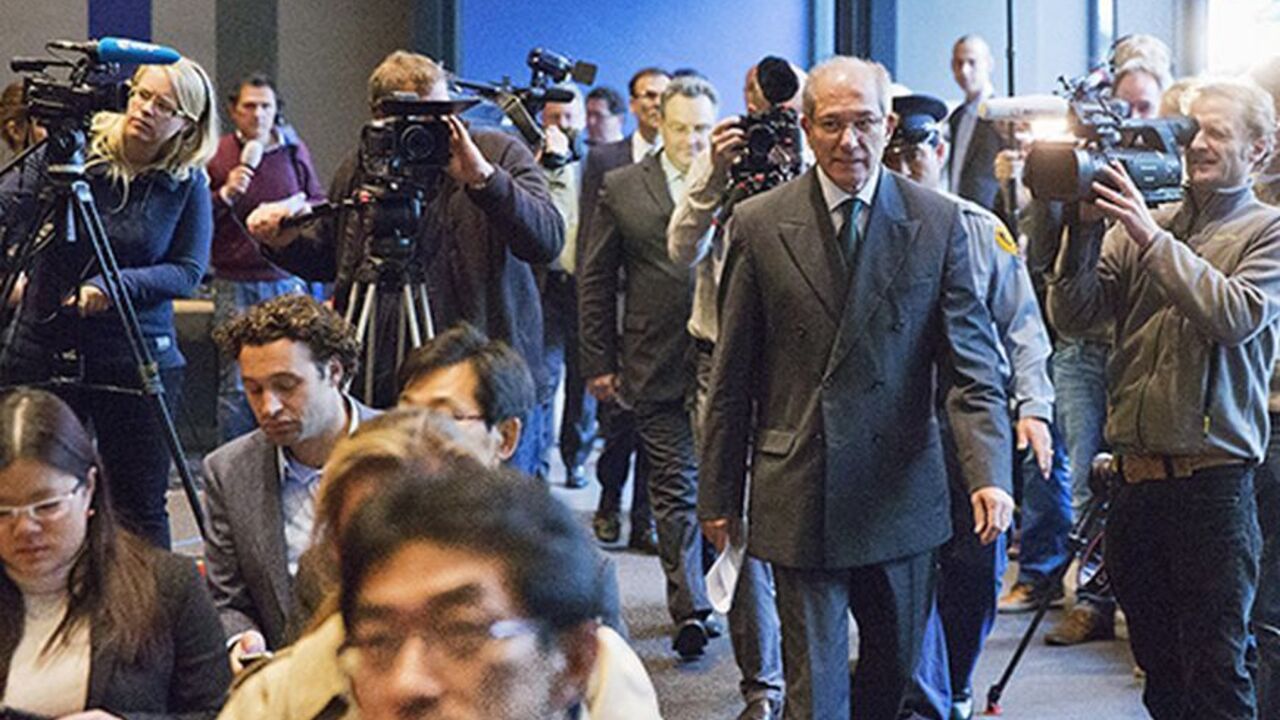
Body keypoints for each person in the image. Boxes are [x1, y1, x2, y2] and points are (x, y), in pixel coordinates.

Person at [699, 56, 1014, 720]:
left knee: (896, 682)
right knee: (814, 695)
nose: (850, 141)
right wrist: (719, 493)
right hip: (799, 483)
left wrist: (988, 472)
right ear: (805, 130)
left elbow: (972, 367)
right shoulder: (758, 222)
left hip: (900, 491)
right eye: (833, 124)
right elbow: (733, 374)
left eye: (865, 123)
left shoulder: (937, 222)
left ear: (889, 124)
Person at [1048, 77, 1280, 719]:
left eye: (1216, 133)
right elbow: (1075, 315)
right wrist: (1084, 230)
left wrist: (1151, 238)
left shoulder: (1267, 230)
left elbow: (1235, 315)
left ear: (1260, 151)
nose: (1196, 144)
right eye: (1191, 130)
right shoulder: (1148, 222)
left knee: (1218, 669)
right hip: (1134, 483)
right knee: (1160, 672)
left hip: (1213, 484)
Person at [217, 409, 661, 720]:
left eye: (463, 631)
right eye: (367, 536)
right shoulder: (277, 698)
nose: (408, 682)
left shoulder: (599, 674)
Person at [246, 50, 563, 421]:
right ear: (378, 114)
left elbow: (546, 240)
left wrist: (484, 179)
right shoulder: (365, 163)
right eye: (413, 120)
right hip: (383, 376)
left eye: (441, 115)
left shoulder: (498, 151)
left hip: (481, 376)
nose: (428, 131)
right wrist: (283, 244)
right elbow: (334, 256)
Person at [883, 93, 1057, 720]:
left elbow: (1024, 329)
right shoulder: (866, 229)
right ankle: (922, 695)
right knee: (904, 575)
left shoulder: (981, 229)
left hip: (970, 425)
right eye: (893, 155)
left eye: (915, 153)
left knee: (975, 569)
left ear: (939, 151)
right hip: (894, 427)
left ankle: (951, 683)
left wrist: (1033, 407)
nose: (905, 168)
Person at [0, 57, 217, 549]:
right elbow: (8, 205)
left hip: (134, 352)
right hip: (44, 343)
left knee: (139, 506)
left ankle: (152, 620)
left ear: (188, 122)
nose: (146, 109)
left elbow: (186, 271)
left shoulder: (188, 182)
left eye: (165, 105)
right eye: (142, 95)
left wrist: (114, 286)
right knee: (33, 487)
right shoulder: (76, 152)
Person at [666, 54, 806, 720]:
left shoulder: (814, 155)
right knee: (733, 516)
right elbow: (679, 248)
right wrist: (715, 178)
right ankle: (762, 685)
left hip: (799, 362)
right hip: (718, 355)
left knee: (803, 517)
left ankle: (804, 675)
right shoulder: (723, 155)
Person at [580, 75, 721, 660]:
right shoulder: (621, 185)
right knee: (675, 489)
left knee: (721, 485)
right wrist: (598, 360)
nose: (693, 139)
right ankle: (690, 606)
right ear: (658, 125)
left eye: (703, 129)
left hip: (725, 362)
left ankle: (719, 590)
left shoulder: (739, 183)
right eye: (682, 127)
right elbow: (595, 278)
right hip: (652, 358)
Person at [0, 388, 230, 717]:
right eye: (3, 511)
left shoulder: (168, 587)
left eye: (47, 506)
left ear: (89, 489)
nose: (25, 528)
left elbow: (224, 713)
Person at [395, 322, 626, 636]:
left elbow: (602, 682)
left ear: (505, 437)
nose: (418, 432)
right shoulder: (354, 552)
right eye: (407, 414)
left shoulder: (571, 571)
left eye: (445, 417)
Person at [203, 294, 376, 669]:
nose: (269, 407)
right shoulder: (228, 470)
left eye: (286, 385)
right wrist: (242, 639)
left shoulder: (407, 450)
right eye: (253, 389)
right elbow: (228, 599)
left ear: (334, 372)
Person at [578, 67, 671, 551]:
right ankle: (609, 499)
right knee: (617, 431)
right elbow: (593, 257)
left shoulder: (686, 163)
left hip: (662, 328)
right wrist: (596, 354)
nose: (655, 104)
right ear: (633, 104)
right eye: (647, 96)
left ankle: (646, 519)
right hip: (617, 314)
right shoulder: (605, 160)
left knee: (656, 431)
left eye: (663, 96)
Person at [207, 72, 327, 443]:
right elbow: (196, 220)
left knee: (296, 371)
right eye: (249, 106)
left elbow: (319, 201)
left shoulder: (293, 151)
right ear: (233, 110)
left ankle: (295, 450)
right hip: (234, 282)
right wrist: (226, 192)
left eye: (266, 106)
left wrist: (295, 211)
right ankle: (235, 465)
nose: (258, 114)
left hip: (287, 279)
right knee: (237, 383)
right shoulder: (218, 154)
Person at [537, 89, 596, 488]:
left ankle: (576, 459)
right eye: (555, 117)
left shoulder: (599, 164)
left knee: (583, 378)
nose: (563, 124)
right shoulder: (529, 161)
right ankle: (537, 463)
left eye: (569, 116)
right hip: (545, 283)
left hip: (585, 284)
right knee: (543, 377)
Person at [948, 35, 1007, 218]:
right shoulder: (956, 117)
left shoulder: (1003, 116)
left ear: (989, 64)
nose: (964, 71)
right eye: (958, 63)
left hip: (990, 220)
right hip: (958, 214)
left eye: (972, 62)